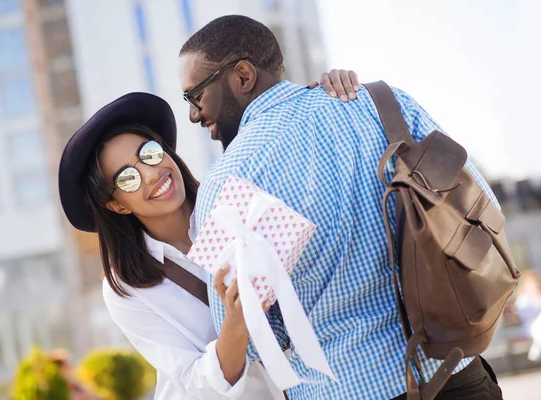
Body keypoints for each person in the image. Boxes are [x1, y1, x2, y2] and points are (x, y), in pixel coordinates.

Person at [179, 15, 504, 399]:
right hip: (451, 371)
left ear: (243, 76)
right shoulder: (382, 101)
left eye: (195, 95)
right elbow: (482, 209)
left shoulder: (226, 186)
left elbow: (252, 339)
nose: (194, 114)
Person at [57, 73, 359, 399]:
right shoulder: (125, 288)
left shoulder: (235, 202)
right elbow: (195, 386)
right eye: (127, 178)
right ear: (116, 205)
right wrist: (236, 321)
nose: (150, 173)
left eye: (149, 153)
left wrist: (316, 97)